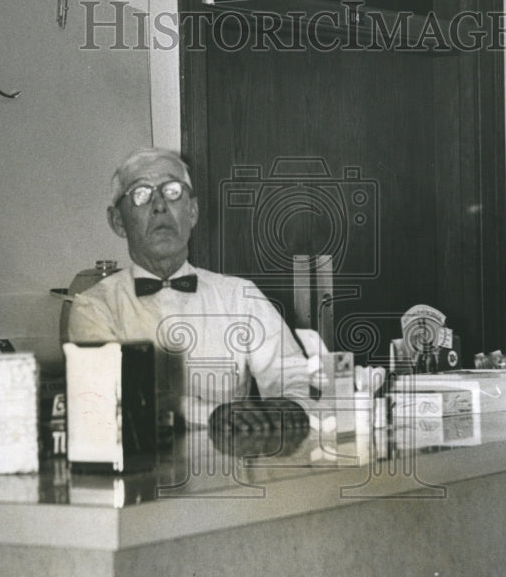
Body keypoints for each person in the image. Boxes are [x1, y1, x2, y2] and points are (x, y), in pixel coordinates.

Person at [67, 147, 321, 434]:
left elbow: (295, 376)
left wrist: (287, 409)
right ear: (118, 221)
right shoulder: (94, 308)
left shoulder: (239, 296)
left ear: (193, 211)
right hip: (141, 471)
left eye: (173, 191)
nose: (160, 205)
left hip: (233, 469)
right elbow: (116, 401)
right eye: (141, 194)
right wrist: (221, 414)